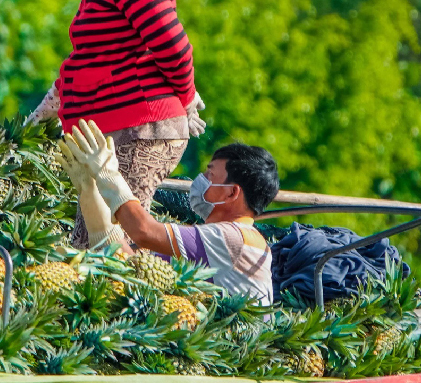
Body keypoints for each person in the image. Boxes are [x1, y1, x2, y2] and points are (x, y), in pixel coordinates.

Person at [24, 0, 205, 249]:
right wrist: (57, 99)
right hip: (114, 126)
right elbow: (97, 54)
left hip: (141, 124)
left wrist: (187, 98)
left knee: (115, 245)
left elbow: (171, 44)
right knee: (90, 239)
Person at [56, 119, 279, 304]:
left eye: (210, 176)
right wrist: (89, 193)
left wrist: (108, 175)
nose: (201, 181)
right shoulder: (215, 239)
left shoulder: (235, 239)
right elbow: (131, 267)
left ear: (231, 193)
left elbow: (143, 231)